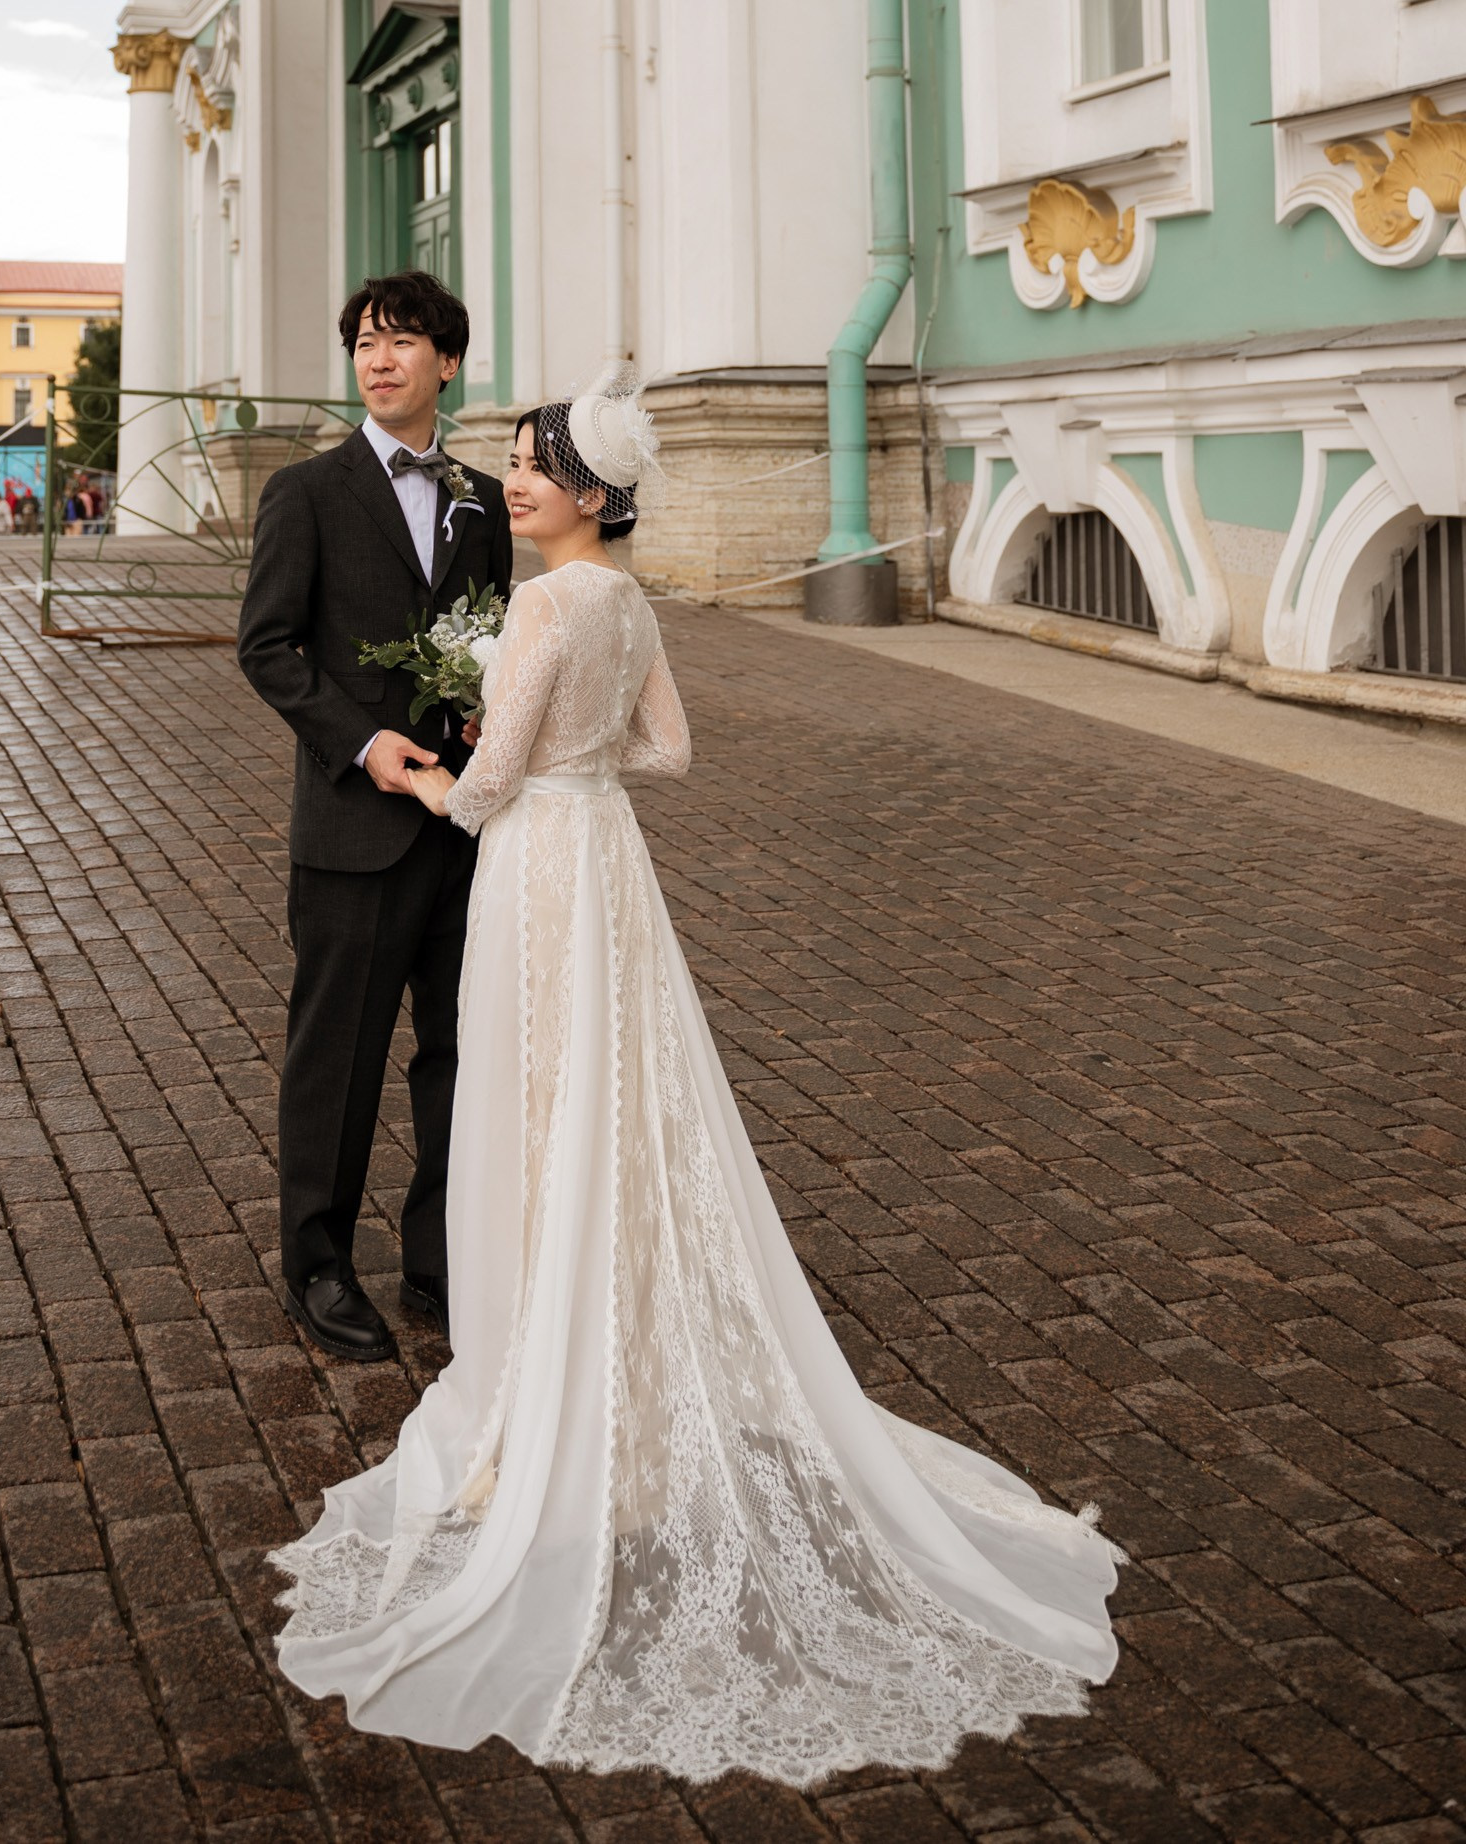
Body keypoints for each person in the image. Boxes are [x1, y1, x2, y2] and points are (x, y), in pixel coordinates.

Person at [271, 375, 1120, 1787]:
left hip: (541, 868)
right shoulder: (635, 604)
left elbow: (480, 798)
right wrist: (570, 766)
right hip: (608, 860)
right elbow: (669, 749)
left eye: (539, 467)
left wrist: (443, 776)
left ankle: (549, 1394)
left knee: (544, 1112)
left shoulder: (548, 606)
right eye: (521, 465)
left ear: (594, 493)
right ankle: (624, 1370)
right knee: (621, 1108)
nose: (518, 481)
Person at [237, 273, 512, 1362]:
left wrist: (487, 714)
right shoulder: (304, 492)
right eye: (364, 341)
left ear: (447, 361)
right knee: (337, 1059)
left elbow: (485, 638)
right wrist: (362, 742)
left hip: (464, 827)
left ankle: (437, 1263)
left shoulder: (485, 498)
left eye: (401, 341)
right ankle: (316, 1265)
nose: (379, 357)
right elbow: (266, 647)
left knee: (457, 1052)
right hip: (353, 829)